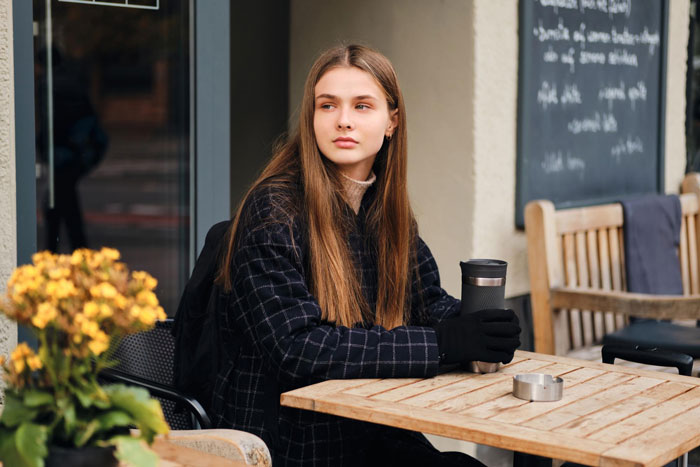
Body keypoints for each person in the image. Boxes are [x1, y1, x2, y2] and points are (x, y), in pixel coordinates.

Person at [209, 44, 521, 466]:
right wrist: (444, 343)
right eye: (327, 105)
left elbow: (426, 303)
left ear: (391, 122)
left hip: (368, 432)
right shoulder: (274, 210)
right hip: (288, 444)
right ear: (312, 118)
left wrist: (480, 324)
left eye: (362, 106)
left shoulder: (383, 210)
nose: (343, 120)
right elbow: (299, 347)